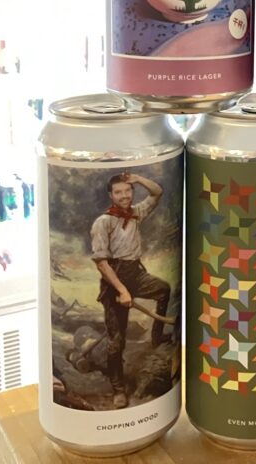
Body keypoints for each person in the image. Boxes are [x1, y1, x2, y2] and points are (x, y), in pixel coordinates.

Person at [91, 172, 171, 409]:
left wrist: (138, 179)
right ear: (111, 195)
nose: (124, 196)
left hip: (135, 273)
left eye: (128, 191)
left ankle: (157, 337)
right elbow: (102, 263)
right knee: (117, 340)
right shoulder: (103, 222)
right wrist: (122, 290)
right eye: (118, 192)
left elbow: (157, 192)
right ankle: (118, 389)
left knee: (163, 290)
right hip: (113, 279)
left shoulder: (136, 213)